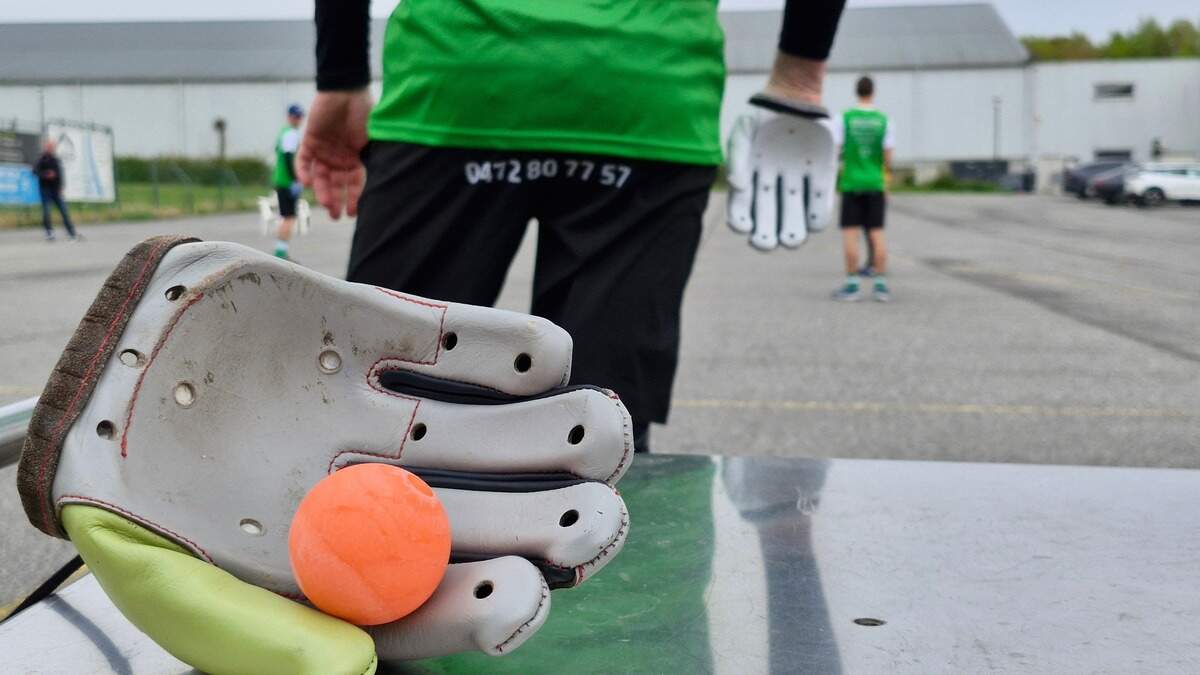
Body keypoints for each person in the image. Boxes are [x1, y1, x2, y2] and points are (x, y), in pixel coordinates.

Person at [298, 1, 848, 452]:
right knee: (593, 440)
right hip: (647, 81)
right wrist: (799, 72)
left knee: (383, 407)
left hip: (460, 76)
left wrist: (341, 74)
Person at [832, 75, 894, 302]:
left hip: (852, 182)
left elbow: (836, 149)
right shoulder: (884, 120)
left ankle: (852, 285)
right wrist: (886, 181)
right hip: (875, 181)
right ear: (873, 92)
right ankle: (880, 286)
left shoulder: (845, 118)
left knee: (851, 234)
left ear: (856, 91)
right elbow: (888, 156)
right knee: (877, 233)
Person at [272, 104, 305, 259]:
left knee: (286, 216)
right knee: (289, 217)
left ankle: (281, 250)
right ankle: (280, 253)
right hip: (286, 181)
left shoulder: (283, 132)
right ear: (290, 116)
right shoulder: (291, 133)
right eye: (296, 116)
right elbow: (288, 157)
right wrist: (295, 178)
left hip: (281, 179)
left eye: (300, 116)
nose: (298, 119)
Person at [32, 138, 79, 242]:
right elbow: (34, 171)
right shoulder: (41, 159)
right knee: (46, 212)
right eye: (48, 146)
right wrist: (45, 174)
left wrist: (61, 187)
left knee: (64, 211)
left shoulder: (56, 159)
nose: (50, 148)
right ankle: (49, 232)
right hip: (45, 190)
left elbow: (60, 174)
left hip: (56, 190)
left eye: (52, 147)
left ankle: (71, 233)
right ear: (45, 147)